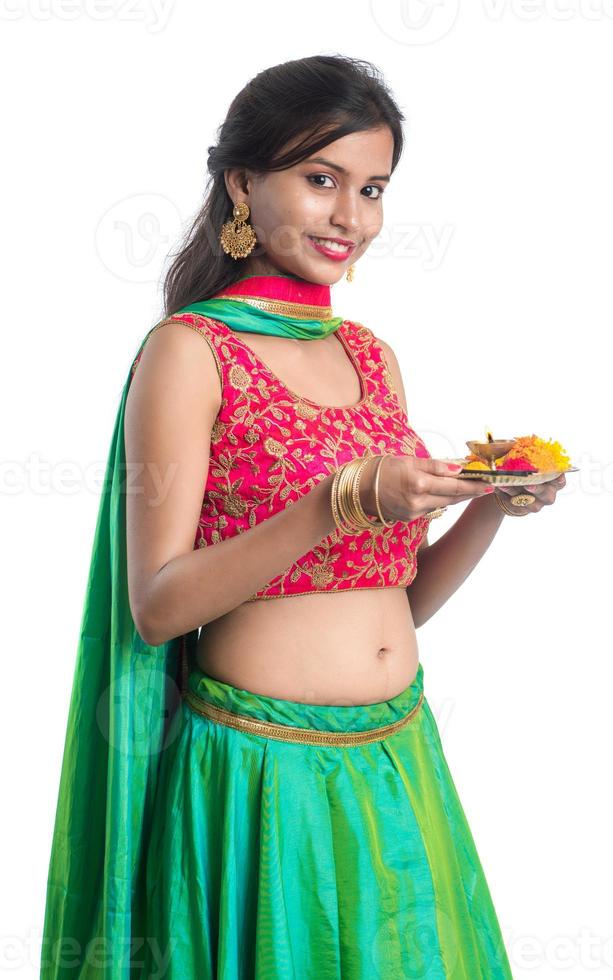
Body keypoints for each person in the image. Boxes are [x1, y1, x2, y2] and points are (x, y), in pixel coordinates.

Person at [40, 54, 565, 979]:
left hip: (398, 764)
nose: (350, 217)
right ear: (244, 182)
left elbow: (392, 600)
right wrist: (336, 501)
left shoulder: (370, 354)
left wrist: (490, 505)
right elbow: (158, 606)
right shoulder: (190, 351)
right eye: (320, 180)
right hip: (259, 782)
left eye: (372, 188)